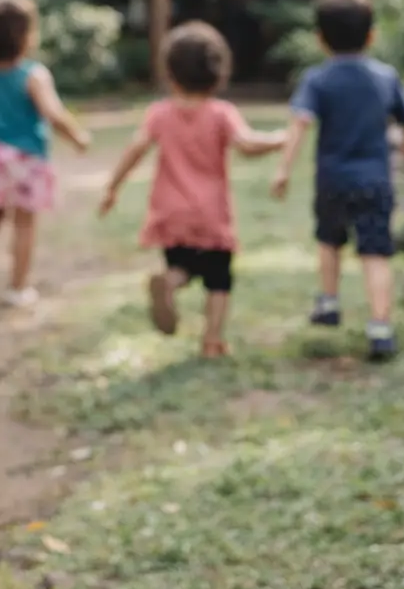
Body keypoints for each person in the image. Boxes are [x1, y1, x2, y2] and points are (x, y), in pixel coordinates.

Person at [98, 22, 287, 357]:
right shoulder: (220, 114)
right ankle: (212, 340)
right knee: (218, 279)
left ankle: (169, 282)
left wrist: (113, 187)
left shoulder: (159, 114)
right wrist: (281, 139)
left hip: (170, 213)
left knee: (181, 266)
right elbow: (246, 144)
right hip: (210, 215)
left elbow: (135, 149)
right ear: (219, 74)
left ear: (169, 74)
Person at [271, 0, 404, 362]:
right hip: (375, 180)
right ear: (372, 35)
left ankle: (329, 301)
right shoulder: (385, 77)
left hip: (332, 180)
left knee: (329, 240)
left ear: (320, 39)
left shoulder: (317, 80)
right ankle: (381, 327)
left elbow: (299, 124)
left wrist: (284, 169)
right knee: (376, 253)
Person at [0, 0, 90, 305]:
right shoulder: (33, 75)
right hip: (25, 156)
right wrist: (77, 136)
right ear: (26, 35)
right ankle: (19, 287)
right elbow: (52, 113)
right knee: (24, 223)